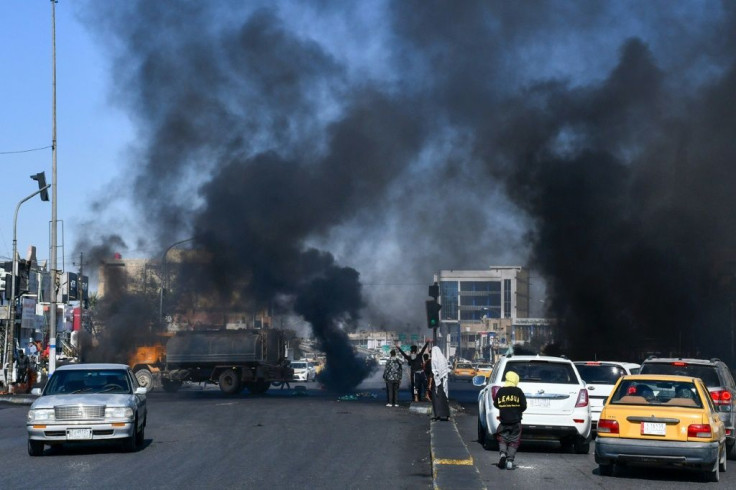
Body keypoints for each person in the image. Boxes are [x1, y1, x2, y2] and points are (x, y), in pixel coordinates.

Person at [493, 371, 527, 470]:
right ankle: (510, 461)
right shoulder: (518, 391)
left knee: (502, 439)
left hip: (503, 421)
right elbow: (524, 406)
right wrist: (517, 410)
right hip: (516, 422)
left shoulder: (501, 391)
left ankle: (503, 454)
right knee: (514, 441)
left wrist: (504, 408)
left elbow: (496, 404)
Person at [430, 346, 451, 420]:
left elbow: (434, 371)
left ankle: (437, 415)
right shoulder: (443, 359)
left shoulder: (434, 360)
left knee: (436, 399)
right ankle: (447, 415)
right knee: (444, 398)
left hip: (437, 382)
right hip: (444, 381)